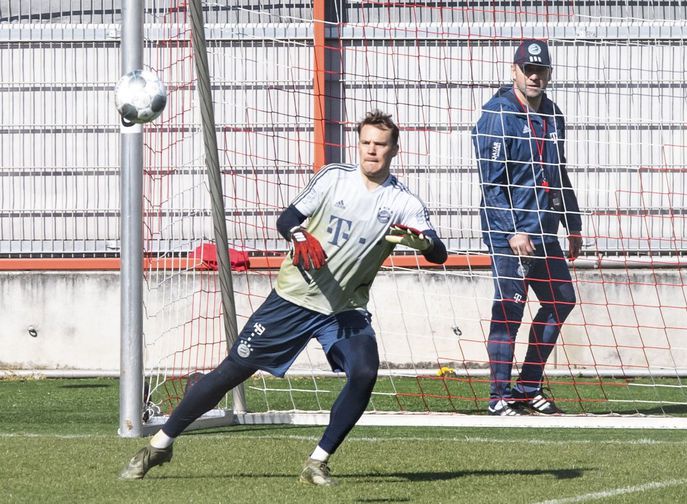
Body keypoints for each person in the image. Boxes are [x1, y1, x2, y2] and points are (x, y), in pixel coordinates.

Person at [119, 110, 448, 485]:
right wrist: (298, 235)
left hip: (344, 310)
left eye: (381, 145)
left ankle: (317, 462)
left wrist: (424, 243)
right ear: (358, 144)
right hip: (294, 299)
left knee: (365, 372)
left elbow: (438, 252)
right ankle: (160, 445)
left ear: (394, 150)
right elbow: (287, 218)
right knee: (232, 372)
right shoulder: (334, 179)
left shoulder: (402, 201)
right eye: (366, 143)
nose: (372, 151)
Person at [472, 40, 583, 416]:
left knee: (561, 300)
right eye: (527, 69)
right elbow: (492, 186)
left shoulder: (552, 113)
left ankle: (527, 386)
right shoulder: (497, 116)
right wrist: (512, 231)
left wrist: (574, 223)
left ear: (549, 73)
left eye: (541, 70)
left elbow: (559, 172)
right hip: (512, 235)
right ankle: (497, 397)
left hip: (545, 231)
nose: (534, 76)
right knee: (509, 310)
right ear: (514, 70)